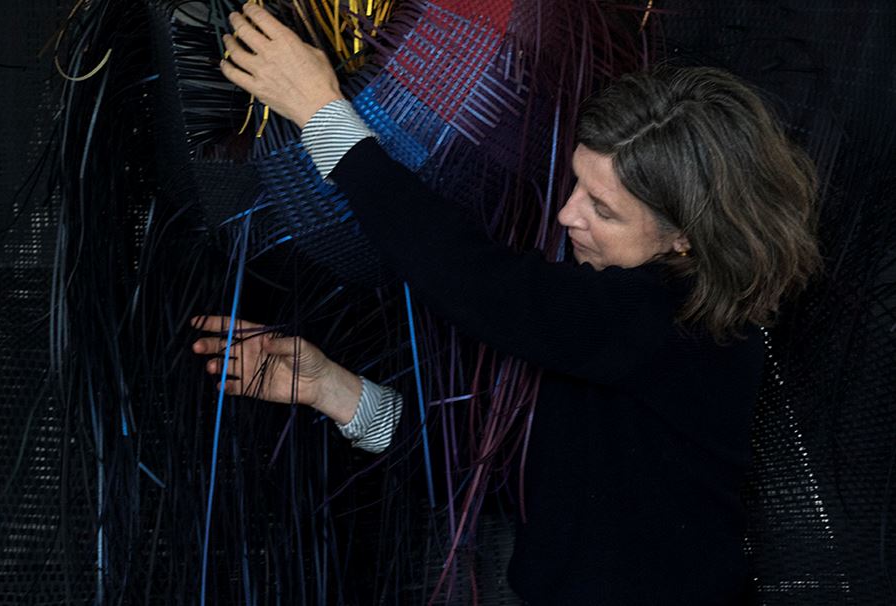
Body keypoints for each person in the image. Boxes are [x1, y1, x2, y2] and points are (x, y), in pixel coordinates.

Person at [190, 4, 822, 604]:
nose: (568, 213)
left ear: (686, 237)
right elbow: (500, 467)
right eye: (577, 184)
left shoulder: (668, 318)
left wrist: (321, 113)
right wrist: (330, 387)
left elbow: (471, 278)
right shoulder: (617, 333)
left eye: (603, 209)